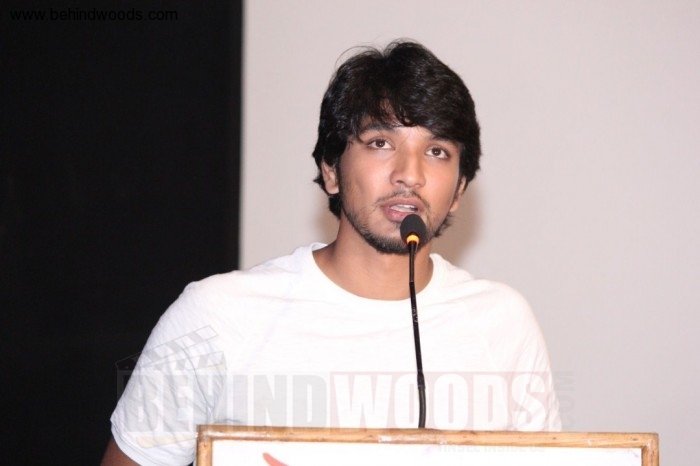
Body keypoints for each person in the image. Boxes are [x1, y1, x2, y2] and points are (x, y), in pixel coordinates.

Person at [101, 40, 560, 466]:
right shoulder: (217, 316)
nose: (410, 174)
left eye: (437, 151)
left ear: (459, 190)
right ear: (332, 171)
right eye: (380, 143)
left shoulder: (503, 322)